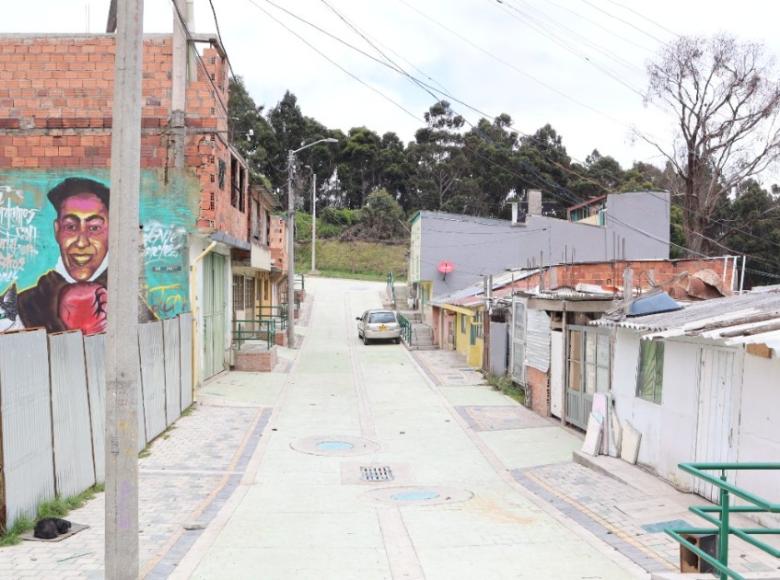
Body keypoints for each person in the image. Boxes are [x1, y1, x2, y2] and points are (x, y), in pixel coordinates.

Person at [17, 177, 110, 334]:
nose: (81, 243)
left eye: (94, 228)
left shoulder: (127, 297)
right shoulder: (25, 305)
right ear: (57, 231)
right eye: (71, 227)